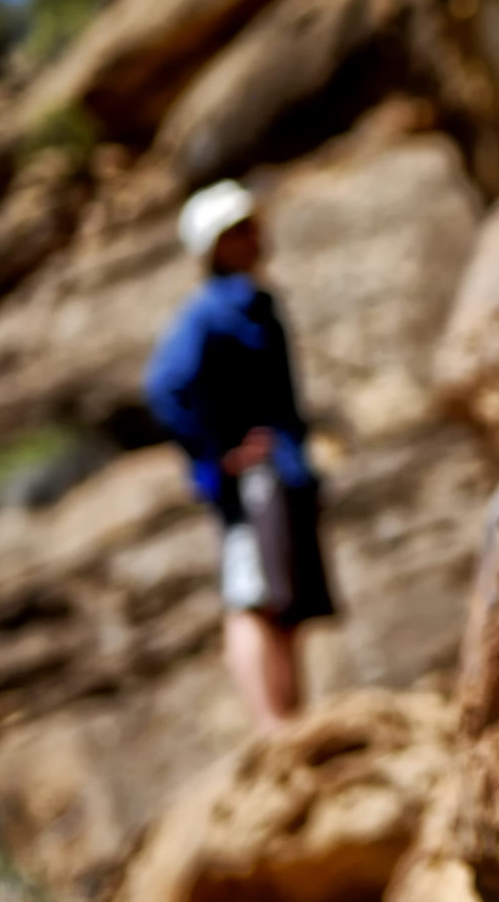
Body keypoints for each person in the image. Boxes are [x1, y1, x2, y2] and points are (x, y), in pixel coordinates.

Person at [143, 180, 335, 734]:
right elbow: (166, 387)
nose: (255, 236)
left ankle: (292, 718)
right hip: (254, 479)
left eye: (252, 224)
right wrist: (219, 451)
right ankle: (272, 723)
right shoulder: (211, 311)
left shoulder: (255, 301)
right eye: (239, 230)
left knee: (283, 597)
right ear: (215, 246)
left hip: (282, 469)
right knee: (252, 595)